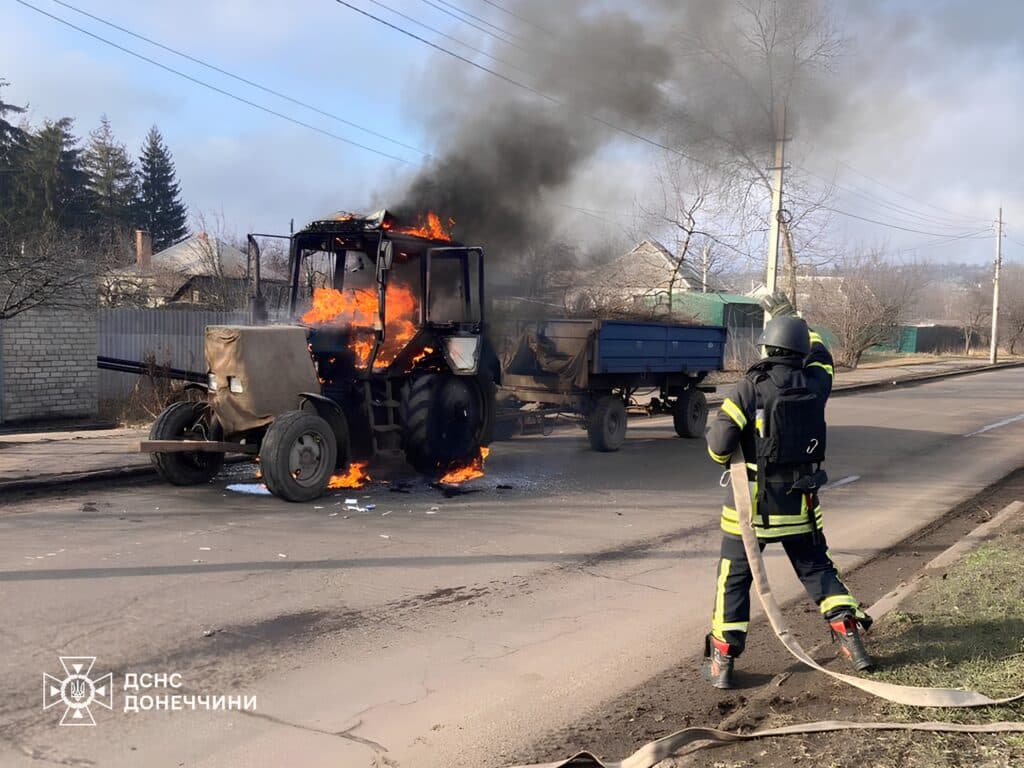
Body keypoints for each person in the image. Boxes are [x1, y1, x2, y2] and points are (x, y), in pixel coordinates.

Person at [701, 316, 873, 689]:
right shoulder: (816, 384)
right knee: (818, 570)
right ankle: (849, 635)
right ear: (801, 350)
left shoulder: (749, 388)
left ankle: (723, 661)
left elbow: (718, 450)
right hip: (801, 507)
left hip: (750, 512)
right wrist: (802, 322)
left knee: (734, 580)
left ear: (766, 347)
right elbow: (824, 358)